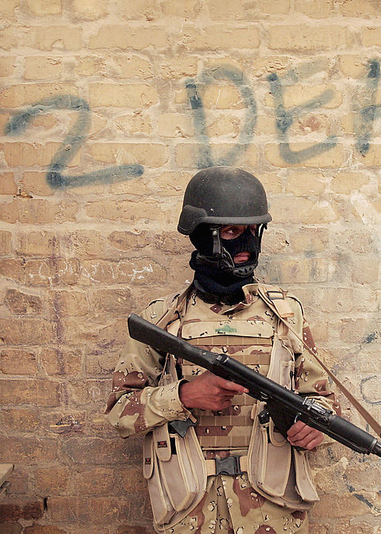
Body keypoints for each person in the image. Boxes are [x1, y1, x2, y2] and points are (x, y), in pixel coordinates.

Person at [105, 166, 337, 534]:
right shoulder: (162, 320)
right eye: (230, 232)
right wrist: (184, 395)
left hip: (273, 511)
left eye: (251, 232)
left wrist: (314, 425)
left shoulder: (286, 314)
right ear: (201, 236)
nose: (244, 245)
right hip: (190, 510)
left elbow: (322, 398)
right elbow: (119, 414)